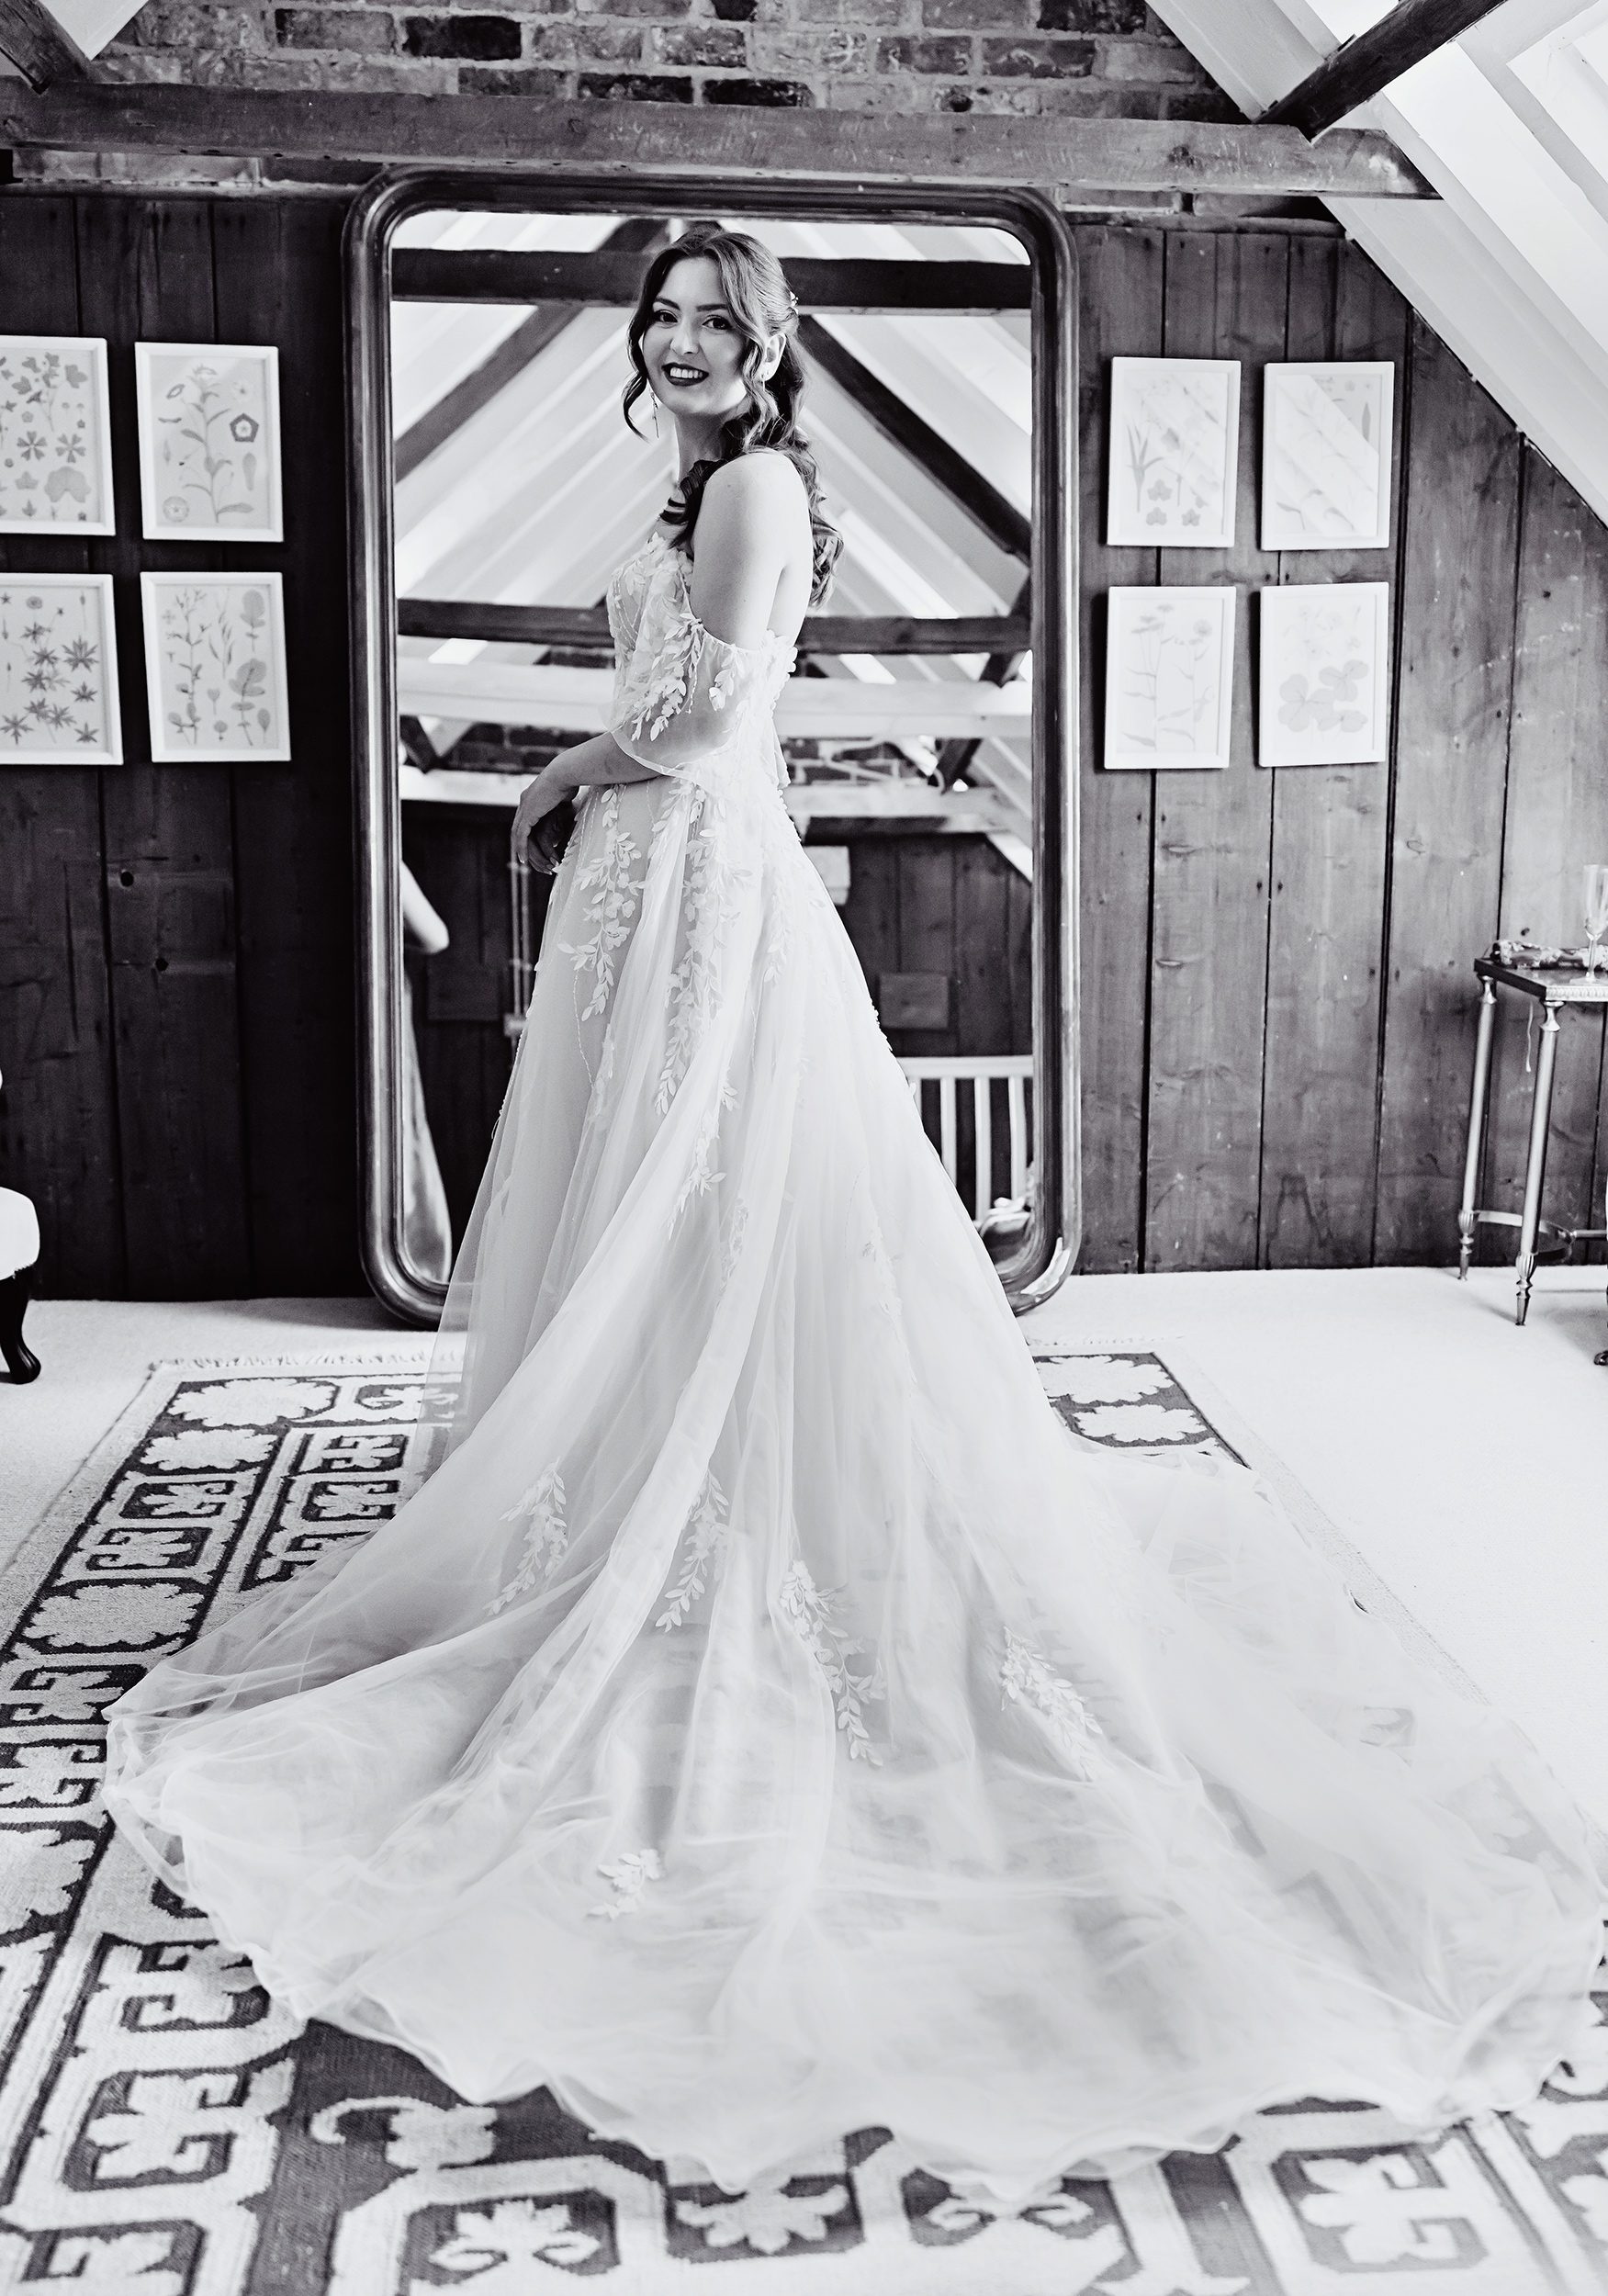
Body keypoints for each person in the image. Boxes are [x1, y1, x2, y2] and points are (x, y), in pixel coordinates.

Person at [102, 225, 1604, 2210]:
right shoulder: (693, 486)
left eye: (715, 321)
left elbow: (705, 724)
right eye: (662, 317)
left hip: (692, 871)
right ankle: (631, 1478)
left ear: (768, 346)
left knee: (717, 1211)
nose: (682, 342)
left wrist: (555, 773)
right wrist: (593, 800)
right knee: (643, 1224)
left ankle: (715, 1523)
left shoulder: (752, 486)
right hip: (657, 880)